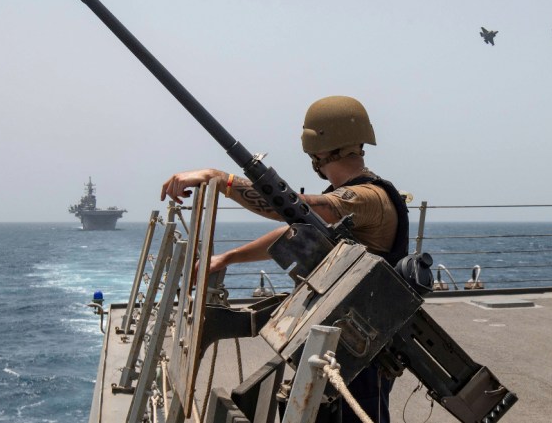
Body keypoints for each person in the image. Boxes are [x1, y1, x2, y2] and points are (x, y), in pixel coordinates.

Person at [160, 95, 408, 423]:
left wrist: (222, 180)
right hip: (342, 341)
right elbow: (297, 231)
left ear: (317, 148)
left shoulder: (367, 197)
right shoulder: (356, 198)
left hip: (361, 351)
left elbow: (304, 210)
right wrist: (228, 258)